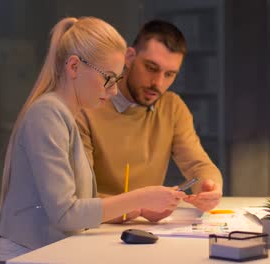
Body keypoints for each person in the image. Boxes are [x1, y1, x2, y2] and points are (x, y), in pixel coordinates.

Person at [0, 17, 186, 262]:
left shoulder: (64, 116)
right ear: (74, 67)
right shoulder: (47, 114)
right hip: (32, 255)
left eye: (116, 80)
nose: (114, 90)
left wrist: (136, 208)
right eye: (108, 78)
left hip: (52, 249)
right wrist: (143, 196)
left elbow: (79, 207)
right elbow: (66, 213)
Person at [76, 19, 223, 223]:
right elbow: (79, 200)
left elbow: (198, 164)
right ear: (129, 57)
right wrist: (139, 206)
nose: (158, 83)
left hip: (144, 233)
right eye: (151, 68)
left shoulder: (172, 107)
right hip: (91, 232)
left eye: (170, 74)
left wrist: (210, 187)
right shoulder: (89, 106)